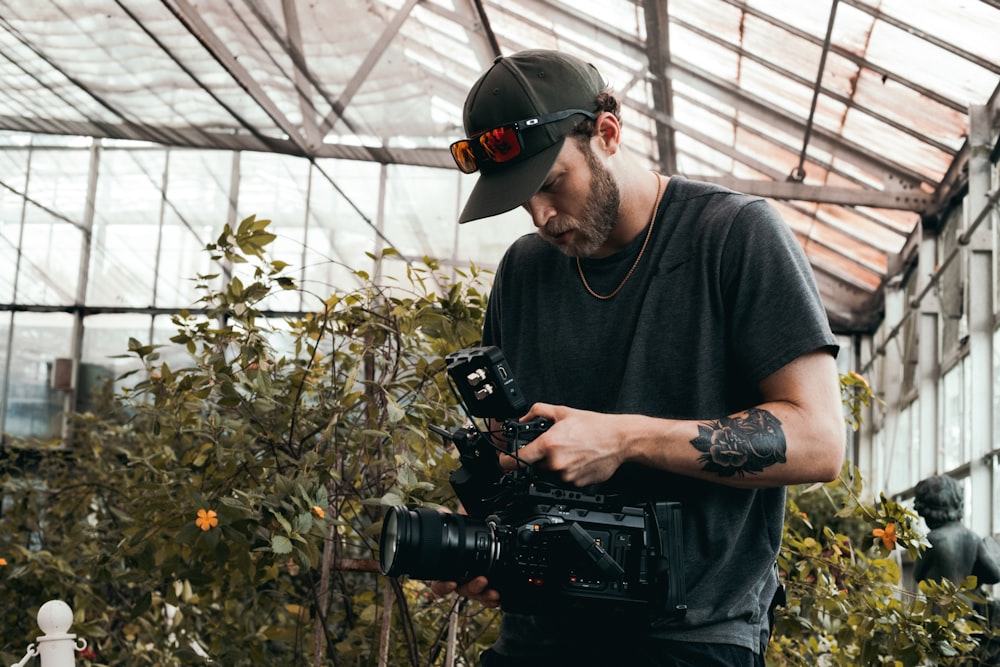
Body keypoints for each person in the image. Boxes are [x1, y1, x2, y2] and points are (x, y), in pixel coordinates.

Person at [430, 49, 846, 667]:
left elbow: (819, 442)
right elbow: (508, 454)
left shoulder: (734, 236)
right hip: (539, 635)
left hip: (689, 638)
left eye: (550, 184)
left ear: (606, 134)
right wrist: (484, 541)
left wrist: (623, 439)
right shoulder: (524, 270)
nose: (541, 216)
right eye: (521, 200)